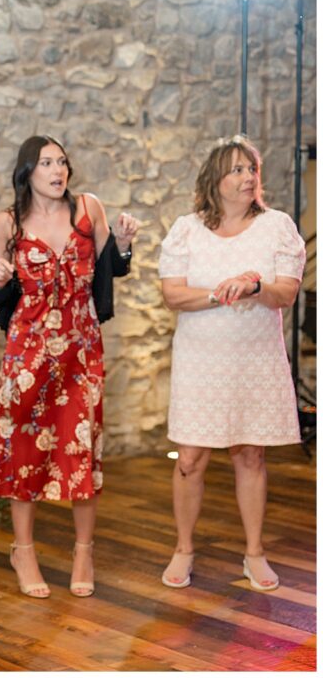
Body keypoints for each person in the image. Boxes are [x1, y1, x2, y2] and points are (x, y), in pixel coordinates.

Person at [0, 135, 138, 598]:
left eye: (62, 161)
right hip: (28, 351)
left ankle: (84, 550)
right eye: (46, 162)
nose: (57, 169)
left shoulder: (89, 209)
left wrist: (122, 244)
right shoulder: (7, 222)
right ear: (27, 171)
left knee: (81, 448)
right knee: (25, 451)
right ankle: (23, 549)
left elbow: (113, 268)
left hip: (82, 349)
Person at [158, 135, 304, 592]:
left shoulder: (277, 225)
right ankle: (183, 548)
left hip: (255, 359)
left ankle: (254, 554)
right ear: (214, 180)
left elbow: (287, 292)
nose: (247, 178)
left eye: (252, 169)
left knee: (251, 453)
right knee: (189, 459)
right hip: (200, 360)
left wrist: (255, 286)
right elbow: (172, 295)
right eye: (237, 170)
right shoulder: (186, 228)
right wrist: (221, 292)